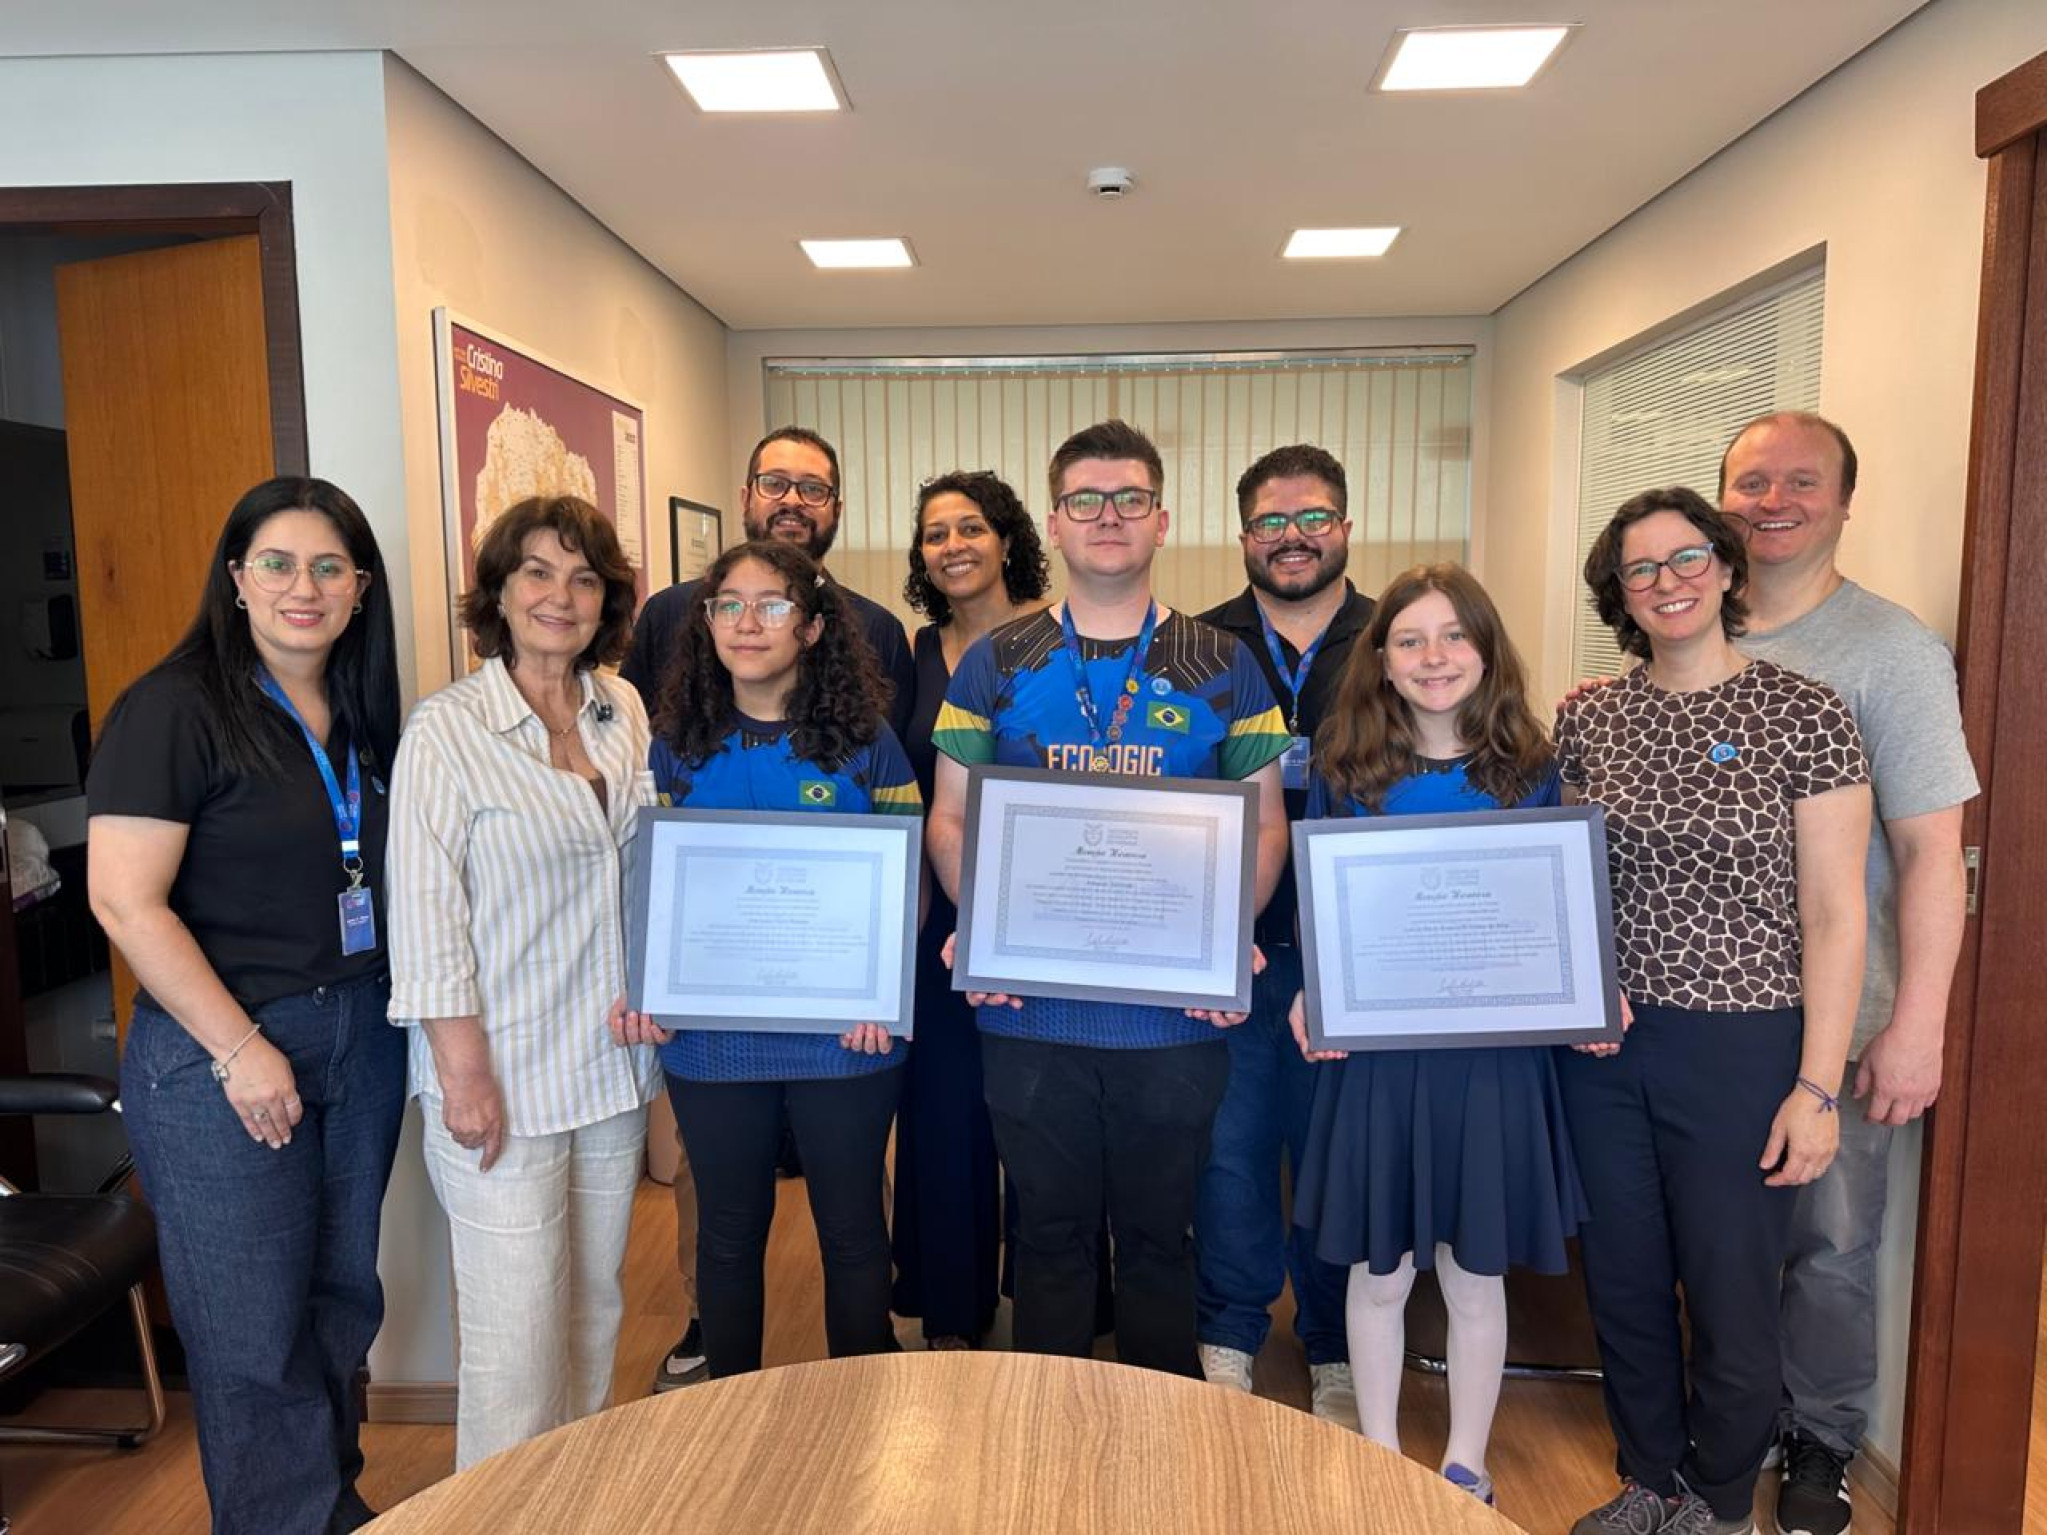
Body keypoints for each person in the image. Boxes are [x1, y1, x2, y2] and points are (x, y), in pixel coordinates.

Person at [925, 418, 1291, 1376]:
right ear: (1054, 520)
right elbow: (951, 820)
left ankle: (1156, 1470)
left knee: (1161, 1244)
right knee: (1047, 1243)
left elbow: (1263, 829)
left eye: (1129, 498)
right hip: (1031, 1013)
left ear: (1161, 520)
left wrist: (1226, 935)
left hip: (1173, 1020)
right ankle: (1048, 1456)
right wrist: (985, 926)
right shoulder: (994, 663)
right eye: (1085, 499)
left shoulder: (1225, 664)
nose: (1108, 516)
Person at [88, 476, 405, 1535]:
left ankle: (329, 1507)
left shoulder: (364, 711)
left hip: (358, 1034)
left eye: (328, 566)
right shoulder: (173, 706)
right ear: (235, 578)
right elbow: (123, 901)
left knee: (339, 1304)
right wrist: (239, 1047)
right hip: (226, 1050)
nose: (302, 587)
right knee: (252, 1334)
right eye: (276, 562)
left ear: (361, 588)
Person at [1557, 488, 1872, 1535]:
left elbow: (1834, 914)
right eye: (1640, 568)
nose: (1667, 581)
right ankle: (1648, 1475)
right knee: (1626, 1277)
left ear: (1728, 568)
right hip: (1605, 1042)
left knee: (1733, 1293)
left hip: (1744, 1045)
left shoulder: (1805, 712)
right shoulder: (1587, 715)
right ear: (1620, 593)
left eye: (1686, 557)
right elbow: (1558, 885)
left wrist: (1816, 1085)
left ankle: (1716, 1495)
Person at [1716, 413, 1977, 1535]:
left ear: (1841, 503)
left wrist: (1916, 1026)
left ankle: (1819, 1436)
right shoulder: (1685, 629)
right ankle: (1726, 1419)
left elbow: (1932, 851)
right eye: (1750, 481)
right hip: (1707, 1011)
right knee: (1719, 1234)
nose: (1772, 500)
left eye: (1799, 482)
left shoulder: (1889, 649)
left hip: (1841, 1018)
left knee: (1828, 1244)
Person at [1284, 563, 1586, 1508]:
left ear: (1487, 649)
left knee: (1472, 1271)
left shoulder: (1534, 773)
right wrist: (1312, 993)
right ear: (1382, 660)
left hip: (1492, 1066)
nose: (1433, 656)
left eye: (1453, 635)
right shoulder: (1346, 773)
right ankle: (1376, 1454)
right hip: (1379, 1060)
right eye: (1408, 639)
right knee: (1378, 1272)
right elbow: (1321, 912)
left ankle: (1467, 1461)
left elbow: (1559, 917)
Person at [621, 425, 915, 1390]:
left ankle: (861, 1413)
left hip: (847, 1037)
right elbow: (641, 884)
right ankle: (732, 1421)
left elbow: (907, 886)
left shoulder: (867, 745)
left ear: (812, 626)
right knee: (731, 1237)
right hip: (710, 1038)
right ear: (705, 622)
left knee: (849, 1231)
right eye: (728, 605)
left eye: (772, 605)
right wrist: (648, 985)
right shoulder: (669, 748)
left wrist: (884, 990)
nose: (748, 622)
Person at [386, 495, 658, 1469]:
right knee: (514, 1338)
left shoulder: (619, 708)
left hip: (610, 1071)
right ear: (498, 593)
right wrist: (463, 1074)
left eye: (585, 577)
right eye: (537, 572)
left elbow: (645, 873)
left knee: (592, 1311)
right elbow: (425, 920)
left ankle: (572, 1498)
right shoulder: (446, 732)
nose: (561, 595)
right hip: (498, 1077)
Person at [1192, 443, 1370, 1423]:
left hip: (1352, 956)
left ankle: (1335, 1343)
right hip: (1227, 949)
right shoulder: (1194, 647)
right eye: (1270, 520)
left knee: (1335, 1150)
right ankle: (1228, 1330)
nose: (1293, 536)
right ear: (1242, 534)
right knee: (1232, 1148)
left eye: (1313, 517)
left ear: (1345, 526)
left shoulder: (1399, 642)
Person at [893, 471, 1050, 1349]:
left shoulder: (1062, 644)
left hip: (1046, 921)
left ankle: (1051, 1306)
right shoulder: (908, 652)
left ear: (1006, 538)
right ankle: (951, 1310)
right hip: (935, 923)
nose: (952, 544)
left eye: (970, 527)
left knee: (1040, 1112)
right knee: (946, 1115)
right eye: (934, 533)